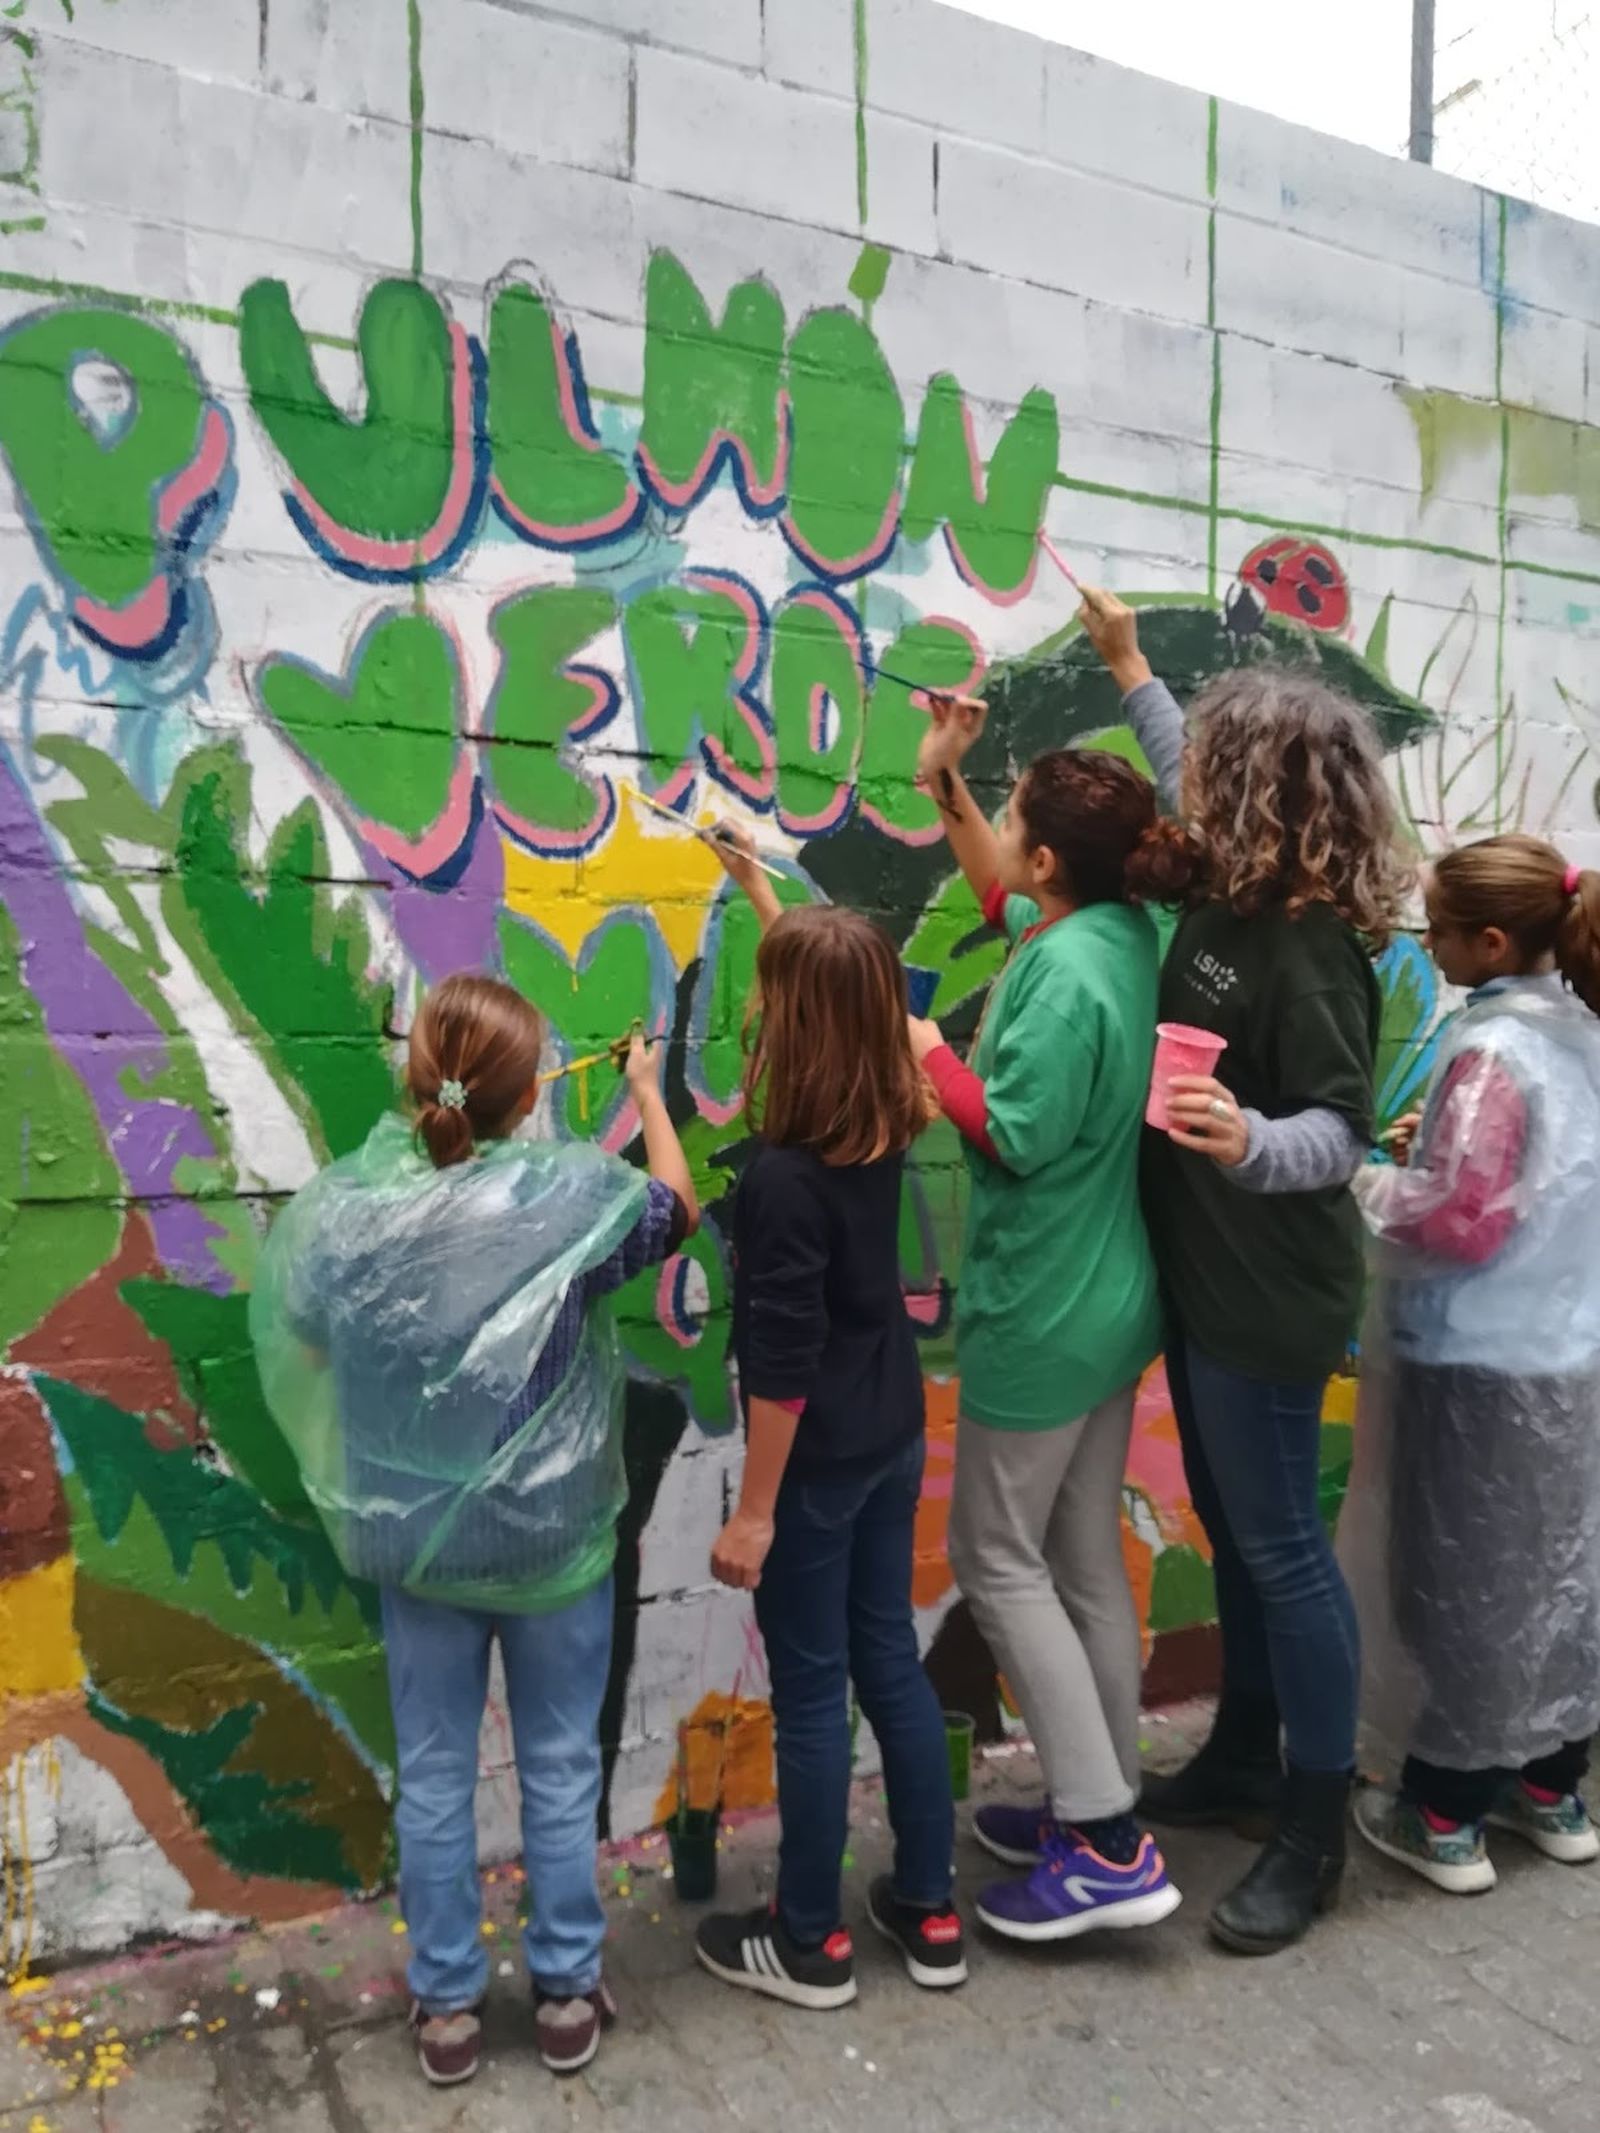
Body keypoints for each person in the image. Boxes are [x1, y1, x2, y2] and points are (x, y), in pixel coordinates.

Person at [250, 976, 699, 2087]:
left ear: (421, 1083)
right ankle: (562, 1994)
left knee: (437, 1775)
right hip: (549, 1548)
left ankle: (446, 2010)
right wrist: (647, 1092)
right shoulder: (569, 1201)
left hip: (419, 1548)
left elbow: (306, 1346)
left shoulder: (350, 1216)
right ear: (524, 1094)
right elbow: (677, 1209)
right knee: (558, 1764)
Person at [1078, 586, 1409, 1955]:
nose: (1191, 782)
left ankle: (1313, 1833)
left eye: (1218, 764)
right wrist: (1130, 665)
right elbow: (1170, 761)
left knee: (1282, 1549)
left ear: (1263, 793)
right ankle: (1249, 1753)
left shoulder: (1310, 948)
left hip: (1271, 1295)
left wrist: (1245, 1137)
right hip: (1212, 1284)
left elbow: (1340, 1128)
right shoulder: (1230, 878)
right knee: (1241, 1532)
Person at [904, 695, 1193, 1943]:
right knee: (1077, 1559)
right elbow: (998, 899)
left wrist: (926, 1050)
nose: (1001, 841)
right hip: (1109, 1300)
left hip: (1048, 1309)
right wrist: (946, 785)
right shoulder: (1117, 930)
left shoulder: (1070, 977)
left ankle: (1106, 1846)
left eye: (1009, 818)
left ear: (1049, 862)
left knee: (996, 1560)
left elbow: (1011, 1135)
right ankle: (1099, 1807)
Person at [693, 833, 965, 2010]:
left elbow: (781, 1370)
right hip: (890, 1430)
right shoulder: (888, 1113)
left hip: (811, 1463)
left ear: (786, 1027)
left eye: (766, 1001)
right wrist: (760, 886)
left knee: (812, 1694)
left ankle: (809, 1939)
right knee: (885, 1663)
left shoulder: (780, 1180)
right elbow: (838, 988)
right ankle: (931, 1907)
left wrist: (754, 1513)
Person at [1340, 836, 1600, 1893]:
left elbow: (1458, 1219)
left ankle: (1443, 1812)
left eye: (1437, 928)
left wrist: (1365, 1183)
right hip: (1569, 1357)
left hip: (1473, 1365)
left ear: (1489, 941)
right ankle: (1552, 1787)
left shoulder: (1490, 1050)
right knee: (1556, 1578)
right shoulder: (1579, 1032)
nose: (1424, 940)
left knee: (1457, 1584)